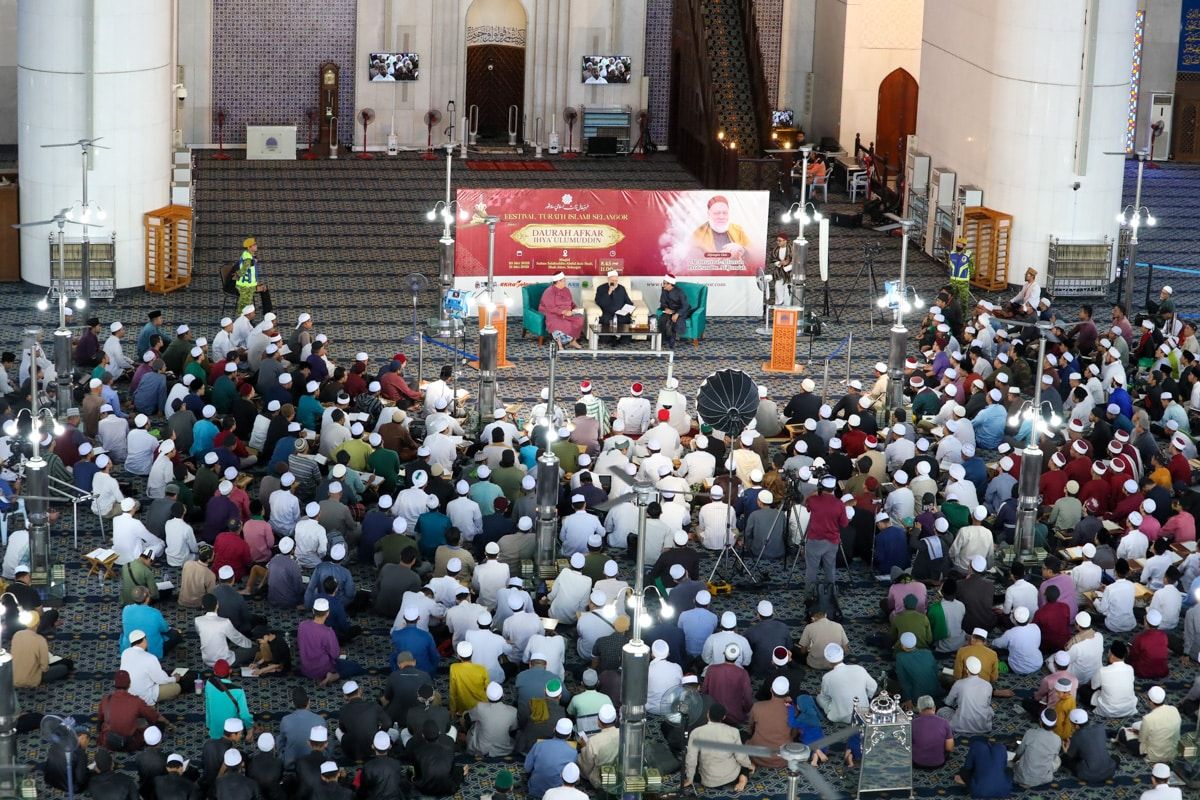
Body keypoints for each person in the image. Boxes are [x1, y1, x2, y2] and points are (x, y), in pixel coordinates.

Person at [683, 704, 754, 792]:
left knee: (692, 759)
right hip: (731, 777)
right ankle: (742, 779)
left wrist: (690, 778)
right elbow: (740, 757)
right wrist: (748, 765)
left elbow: (691, 759)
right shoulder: (733, 731)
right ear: (724, 717)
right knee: (744, 759)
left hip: (708, 781)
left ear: (708, 714)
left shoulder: (696, 732)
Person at [539, 272, 585, 349]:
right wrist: (563, 312)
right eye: (564, 280)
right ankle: (559, 344)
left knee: (579, 318)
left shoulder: (566, 290)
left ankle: (573, 341)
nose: (565, 282)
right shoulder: (549, 291)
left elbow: (570, 302)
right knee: (558, 322)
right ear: (558, 281)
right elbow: (550, 307)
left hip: (568, 312)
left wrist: (575, 308)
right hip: (553, 313)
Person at [911, 696, 954, 769]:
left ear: (919, 709)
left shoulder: (913, 723)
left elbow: (909, 745)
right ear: (934, 707)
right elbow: (949, 748)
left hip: (917, 762)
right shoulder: (944, 722)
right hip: (939, 763)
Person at [234, 239, 272, 313]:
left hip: (251, 284)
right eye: (254, 245)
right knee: (244, 308)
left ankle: (268, 313)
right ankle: (244, 321)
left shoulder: (248, 255)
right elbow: (242, 271)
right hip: (246, 287)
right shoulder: (248, 258)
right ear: (249, 247)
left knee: (264, 288)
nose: (256, 246)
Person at [593, 270, 634, 335]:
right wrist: (608, 292)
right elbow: (599, 302)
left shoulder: (621, 288)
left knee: (626, 319)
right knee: (606, 321)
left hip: (620, 314)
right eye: (612, 280)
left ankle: (622, 339)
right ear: (608, 279)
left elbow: (628, 302)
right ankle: (611, 339)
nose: (614, 282)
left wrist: (626, 310)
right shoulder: (601, 288)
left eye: (616, 280)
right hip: (607, 313)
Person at [657, 273, 691, 350]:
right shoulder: (664, 290)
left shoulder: (679, 292)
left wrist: (677, 314)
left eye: (665, 284)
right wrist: (666, 308)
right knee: (662, 319)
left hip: (681, 310)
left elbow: (685, 305)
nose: (663, 285)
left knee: (674, 320)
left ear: (670, 284)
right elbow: (663, 302)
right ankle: (663, 338)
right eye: (663, 283)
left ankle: (672, 340)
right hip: (670, 310)